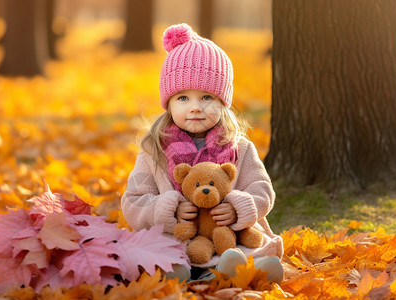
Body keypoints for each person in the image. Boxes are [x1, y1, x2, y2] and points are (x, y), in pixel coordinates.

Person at [121, 23, 284, 283]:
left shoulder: (239, 148)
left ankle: (238, 269)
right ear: (169, 103)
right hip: (176, 237)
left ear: (223, 102)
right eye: (183, 98)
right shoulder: (154, 151)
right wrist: (167, 210)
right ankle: (181, 271)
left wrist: (237, 208)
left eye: (206, 97)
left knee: (246, 248)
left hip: (226, 237)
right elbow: (133, 200)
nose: (195, 108)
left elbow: (261, 189)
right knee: (158, 250)